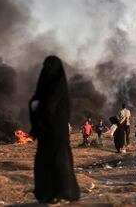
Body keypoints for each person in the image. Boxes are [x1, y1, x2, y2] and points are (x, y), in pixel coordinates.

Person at [29, 55, 80, 204]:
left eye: (50, 66)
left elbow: (50, 106)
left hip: (57, 133)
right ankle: (46, 193)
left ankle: (64, 192)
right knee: (43, 163)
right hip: (45, 134)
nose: (47, 70)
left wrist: (39, 106)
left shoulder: (59, 90)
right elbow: (37, 102)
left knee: (59, 163)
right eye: (46, 66)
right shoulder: (43, 88)